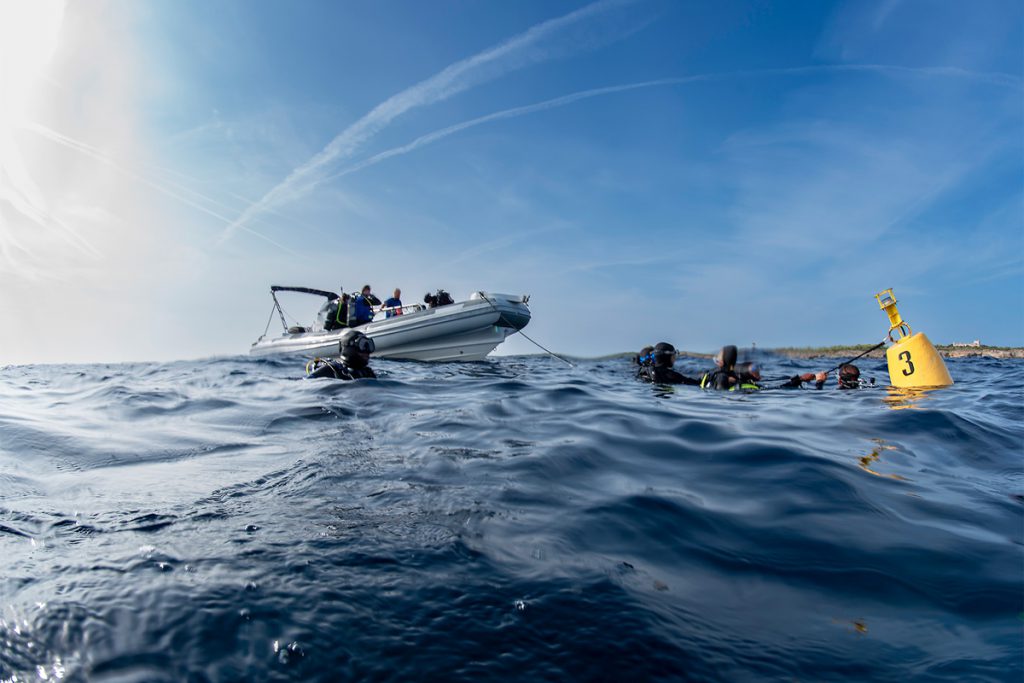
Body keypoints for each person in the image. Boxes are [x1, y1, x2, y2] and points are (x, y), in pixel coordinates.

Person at [306, 331, 377, 380]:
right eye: (362, 345)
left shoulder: (367, 372)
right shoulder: (331, 370)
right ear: (349, 349)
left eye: (369, 345)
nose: (367, 351)